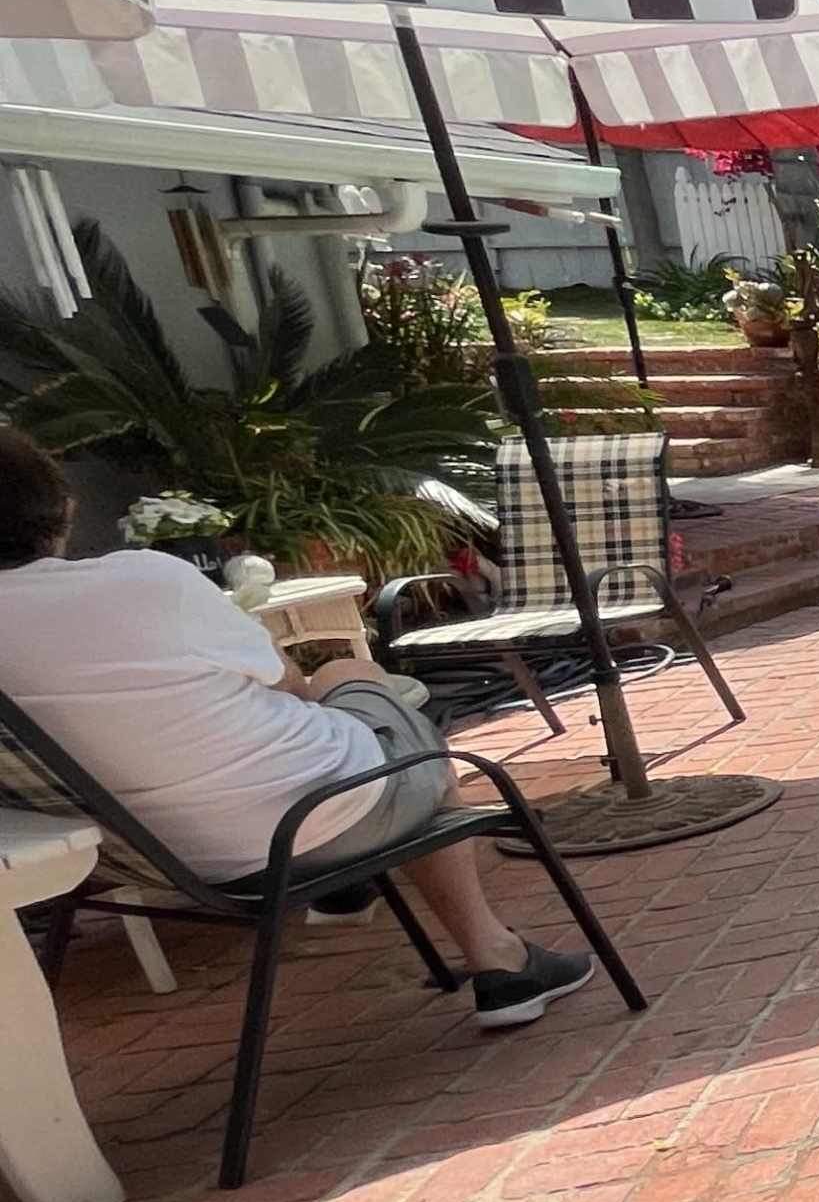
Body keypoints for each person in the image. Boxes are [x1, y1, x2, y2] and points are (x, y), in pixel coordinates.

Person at [0, 427, 596, 1026]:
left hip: (158, 860)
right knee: (375, 701)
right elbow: (287, 683)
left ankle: (347, 890)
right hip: (306, 823)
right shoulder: (141, 579)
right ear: (64, 507)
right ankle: (498, 959)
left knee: (342, 708)